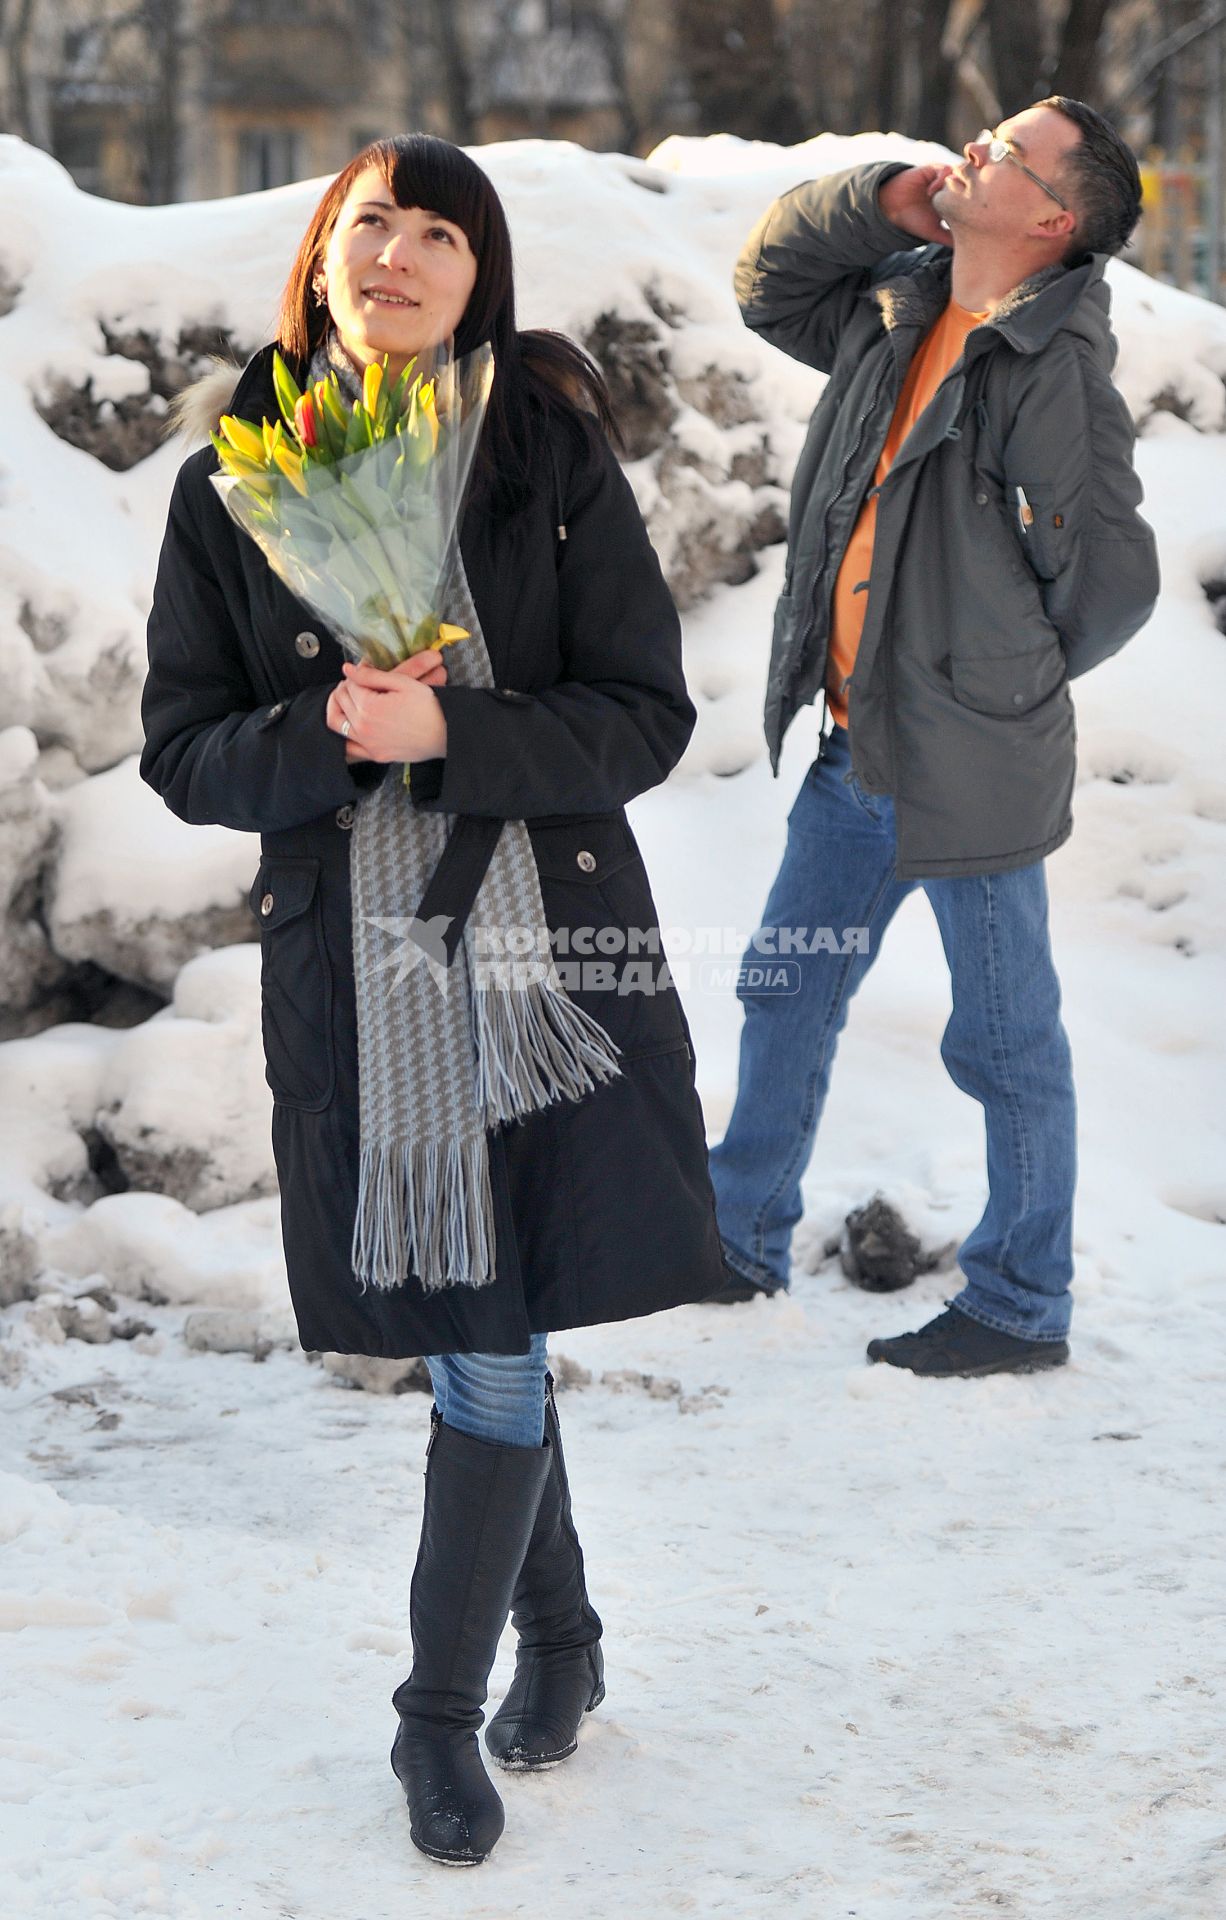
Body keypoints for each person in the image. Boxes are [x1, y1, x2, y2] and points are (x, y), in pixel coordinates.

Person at [141, 134, 725, 1867]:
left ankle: (434, 1719)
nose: (399, 252)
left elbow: (641, 712)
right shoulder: (235, 479)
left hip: (544, 950)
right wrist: (323, 736)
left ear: (482, 272)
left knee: (495, 1310)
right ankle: (556, 1640)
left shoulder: (544, 453)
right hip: (358, 961)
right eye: (370, 222)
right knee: (488, 1314)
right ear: (324, 254)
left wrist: (454, 734)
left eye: (439, 233)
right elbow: (180, 750)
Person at [707, 100, 1159, 1377]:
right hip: (858, 746)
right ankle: (732, 1240)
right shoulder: (892, 305)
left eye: (1007, 155)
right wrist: (872, 200)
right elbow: (764, 285)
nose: (977, 151)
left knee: (1003, 1039)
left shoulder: (1050, 366)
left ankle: (1020, 1300)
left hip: (965, 760)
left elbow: (1108, 581)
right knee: (784, 987)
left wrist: (984, 684)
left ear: (1054, 220)